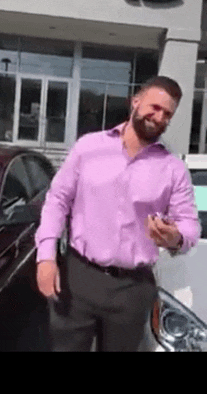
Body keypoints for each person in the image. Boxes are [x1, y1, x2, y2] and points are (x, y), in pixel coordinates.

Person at [35, 76, 201, 352]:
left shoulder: (173, 169)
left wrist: (175, 237)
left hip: (132, 288)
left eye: (167, 114)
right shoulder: (89, 147)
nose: (159, 117)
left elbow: (190, 227)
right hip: (79, 277)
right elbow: (57, 201)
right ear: (135, 102)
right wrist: (46, 257)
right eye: (154, 107)